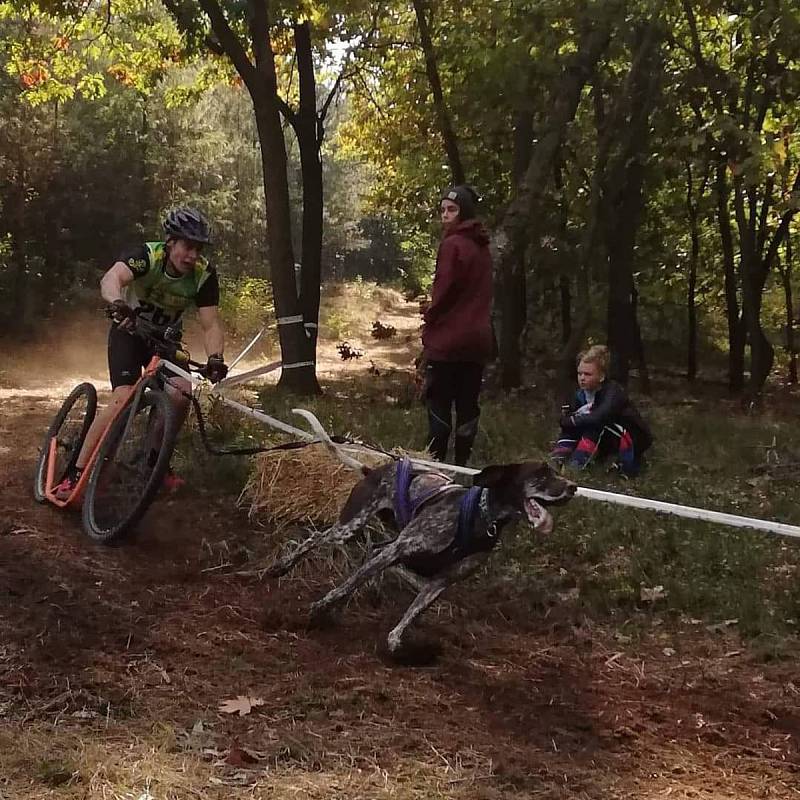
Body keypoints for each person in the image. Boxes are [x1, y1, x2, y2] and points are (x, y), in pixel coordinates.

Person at [54, 207, 228, 497]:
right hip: (129, 334)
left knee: (182, 392)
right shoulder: (148, 256)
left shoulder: (203, 275)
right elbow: (112, 278)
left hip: (165, 343)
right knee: (123, 397)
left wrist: (216, 358)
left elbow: (211, 325)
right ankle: (77, 472)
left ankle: (154, 464)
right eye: (187, 247)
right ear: (171, 242)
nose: (192, 256)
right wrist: (117, 303)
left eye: (198, 249)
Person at [421, 185, 494, 466]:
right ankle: (462, 465)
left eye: (452, 210)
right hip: (478, 341)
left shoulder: (452, 245)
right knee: (467, 405)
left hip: (449, 341)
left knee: (439, 402)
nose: (445, 215)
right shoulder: (482, 246)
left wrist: (430, 319)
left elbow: (443, 290)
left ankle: (436, 465)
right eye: (442, 210)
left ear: (464, 212)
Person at [550, 345, 652, 477]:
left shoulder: (613, 392)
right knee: (574, 425)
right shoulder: (579, 395)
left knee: (593, 425)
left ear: (601, 377)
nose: (582, 378)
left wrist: (572, 420)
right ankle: (558, 459)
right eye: (579, 373)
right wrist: (569, 420)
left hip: (629, 439)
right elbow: (565, 419)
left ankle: (575, 467)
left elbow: (600, 417)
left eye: (587, 374)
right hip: (604, 437)